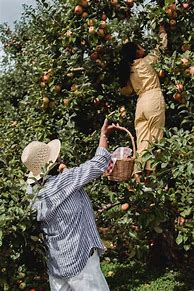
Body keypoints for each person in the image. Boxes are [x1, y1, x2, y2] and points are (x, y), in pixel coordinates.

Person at [21, 119, 119, 291]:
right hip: (80, 260)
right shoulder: (66, 182)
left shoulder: (32, 193)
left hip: (57, 264)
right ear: (53, 161)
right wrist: (103, 135)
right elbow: (98, 164)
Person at [118, 25, 167, 184]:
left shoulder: (129, 69)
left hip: (141, 104)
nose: (142, 46)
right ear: (137, 52)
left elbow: (126, 91)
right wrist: (162, 33)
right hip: (153, 98)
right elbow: (161, 48)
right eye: (139, 46)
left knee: (143, 141)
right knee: (155, 138)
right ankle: (151, 180)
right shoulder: (146, 61)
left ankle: (137, 174)